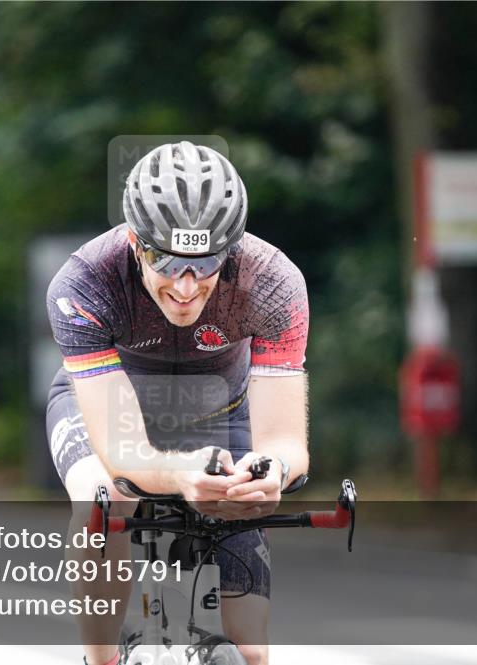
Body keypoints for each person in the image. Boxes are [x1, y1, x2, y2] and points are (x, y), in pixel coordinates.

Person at [46, 141, 310, 665]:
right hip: (105, 408)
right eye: (165, 260)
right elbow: (122, 452)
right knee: (105, 499)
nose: (186, 286)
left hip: (220, 411)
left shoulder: (273, 282)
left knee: (251, 649)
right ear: (134, 241)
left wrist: (270, 470)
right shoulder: (84, 282)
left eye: (206, 262)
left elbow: (285, 441)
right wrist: (181, 474)